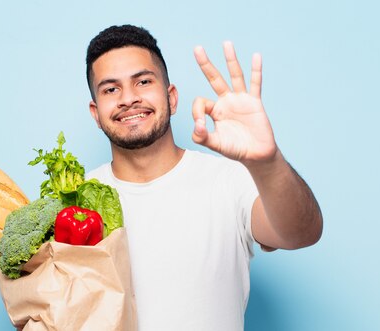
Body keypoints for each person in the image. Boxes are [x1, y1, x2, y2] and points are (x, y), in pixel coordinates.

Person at [84, 24, 323, 330]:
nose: (128, 98)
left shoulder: (229, 180)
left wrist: (268, 160)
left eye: (143, 81)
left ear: (171, 98)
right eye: (111, 89)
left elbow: (302, 233)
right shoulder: (75, 203)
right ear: (95, 112)